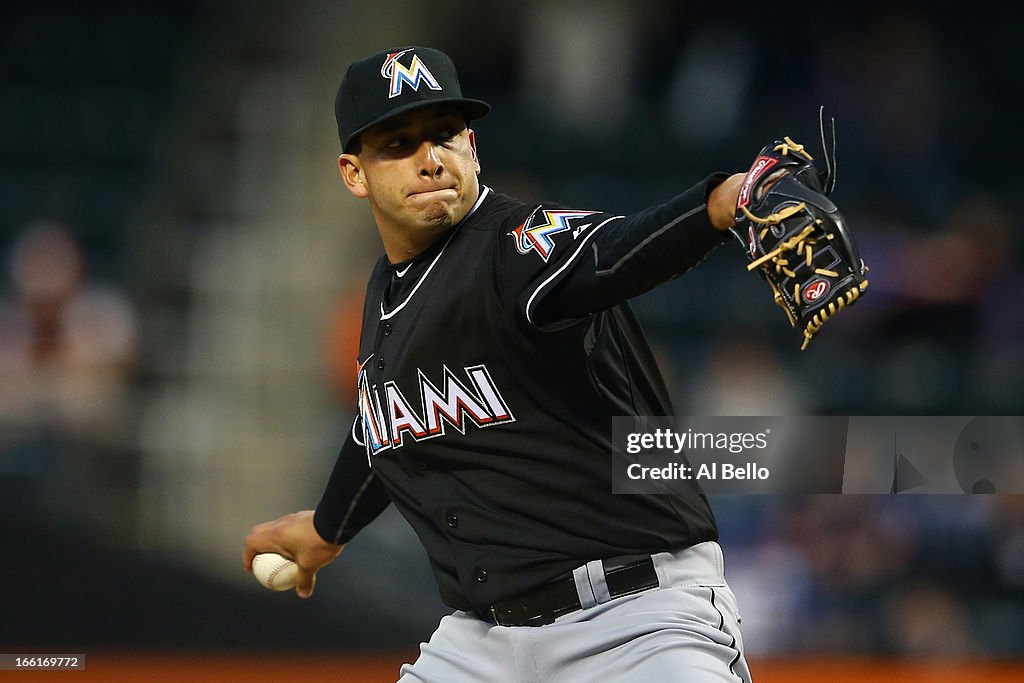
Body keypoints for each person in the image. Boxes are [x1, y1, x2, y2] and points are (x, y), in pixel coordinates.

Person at [244, 45, 752, 682]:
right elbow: (385, 423)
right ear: (354, 173)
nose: (430, 159)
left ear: (472, 147)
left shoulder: (516, 245)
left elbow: (612, 254)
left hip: (634, 621)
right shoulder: (388, 289)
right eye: (399, 144)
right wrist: (325, 533)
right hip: (481, 643)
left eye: (445, 136)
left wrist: (721, 203)